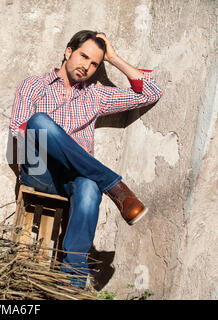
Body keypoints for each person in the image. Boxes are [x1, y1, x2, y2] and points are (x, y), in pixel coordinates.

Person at [9, 30, 163, 288]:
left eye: (95, 63)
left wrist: (114, 59)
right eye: (83, 57)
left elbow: (150, 93)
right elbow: (16, 141)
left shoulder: (95, 96)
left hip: (75, 179)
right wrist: (50, 140)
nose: (87, 67)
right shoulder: (33, 86)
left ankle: (73, 283)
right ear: (68, 52)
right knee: (39, 123)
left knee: (90, 187)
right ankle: (113, 184)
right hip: (39, 171)